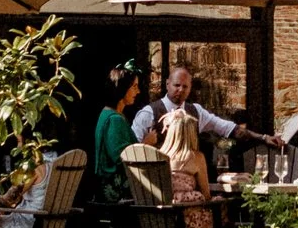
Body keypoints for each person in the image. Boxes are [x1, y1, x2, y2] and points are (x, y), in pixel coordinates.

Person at [130, 63, 282, 163]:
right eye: (177, 85)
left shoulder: (195, 112)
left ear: (190, 88)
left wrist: (263, 137)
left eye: (185, 87)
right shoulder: (149, 113)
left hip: (189, 180)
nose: (180, 90)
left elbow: (230, 129)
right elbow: (131, 152)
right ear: (167, 84)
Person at [157, 108, 219, 228]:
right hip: (187, 220)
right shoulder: (196, 157)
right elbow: (206, 194)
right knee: (222, 207)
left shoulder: (158, 156)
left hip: (160, 219)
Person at [92, 65, 143, 199]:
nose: (138, 92)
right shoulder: (114, 119)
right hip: (115, 191)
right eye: (134, 87)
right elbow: (122, 158)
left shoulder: (109, 114)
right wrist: (145, 144)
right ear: (122, 88)